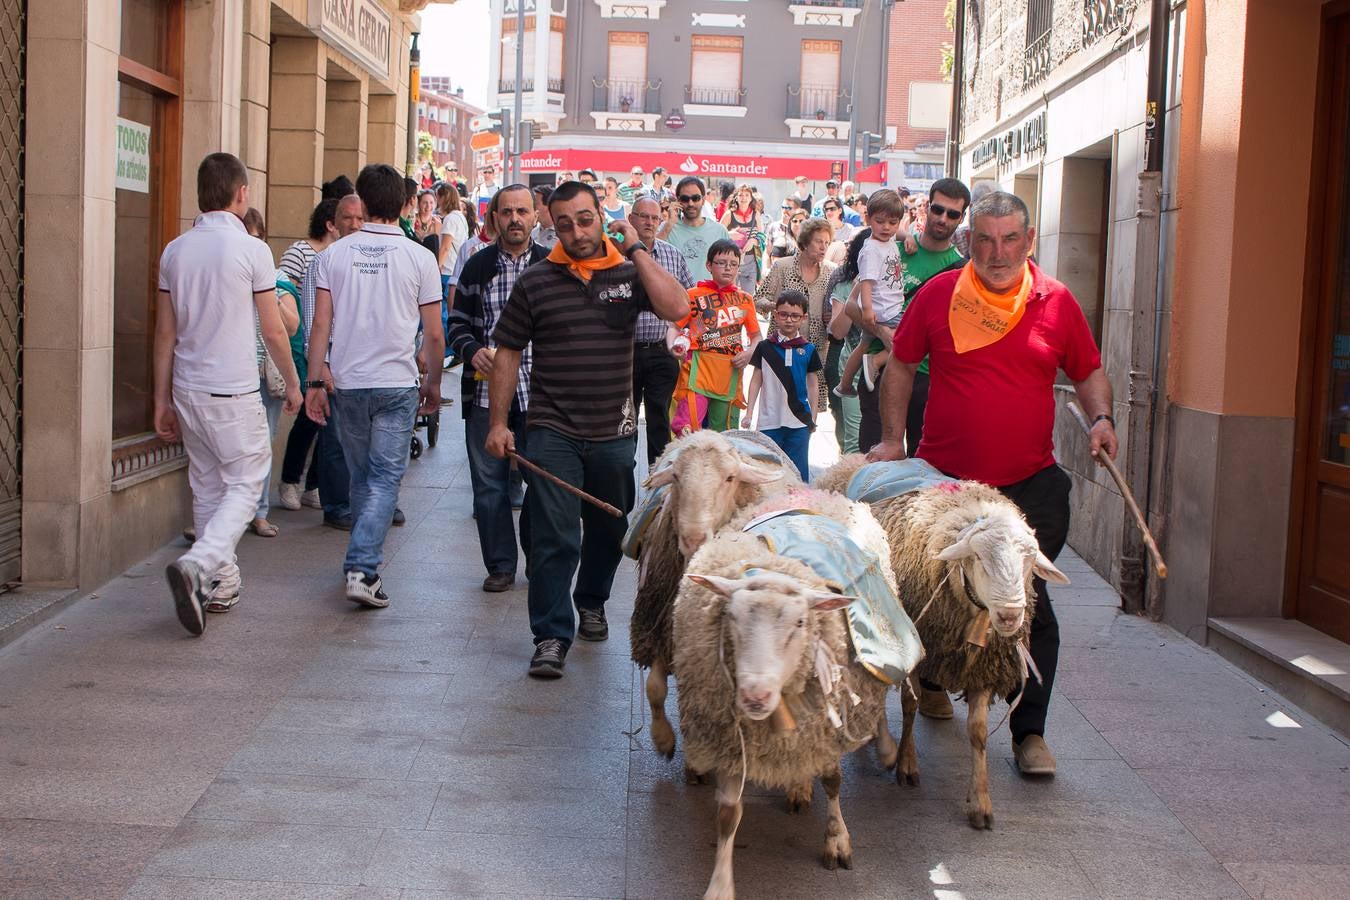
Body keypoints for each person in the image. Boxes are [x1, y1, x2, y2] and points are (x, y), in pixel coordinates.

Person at [867, 191, 1118, 776]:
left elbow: (1087, 370)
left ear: (1029, 242)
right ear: (967, 243)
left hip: (1028, 485)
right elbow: (901, 363)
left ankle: (1029, 733)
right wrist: (891, 439)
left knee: (1026, 600)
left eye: (1010, 240)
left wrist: (1101, 419)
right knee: (929, 594)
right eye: (985, 239)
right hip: (946, 485)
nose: (998, 252)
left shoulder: (1056, 303)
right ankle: (930, 681)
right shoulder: (938, 294)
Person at [485, 180, 689, 678]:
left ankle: (592, 598)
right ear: (550, 226)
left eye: (584, 219)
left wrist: (635, 246)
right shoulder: (536, 280)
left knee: (610, 525)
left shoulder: (627, 271)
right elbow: (508, 352)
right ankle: (551, 636)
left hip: (614, 430)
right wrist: (497, 423)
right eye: (564, 224)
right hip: (551, 427)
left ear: (602, 215)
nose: (576, 232)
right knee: (555, 533)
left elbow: (677, 307)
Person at [156, 153, 301, 635]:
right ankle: (201, 564)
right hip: (233, 390)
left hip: (187, 389)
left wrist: (160, 399)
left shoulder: (174, 251)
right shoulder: (253, 251)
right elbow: (274, 329)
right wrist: (296, 383)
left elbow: (164, 334)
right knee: (246, 481)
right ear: (241, 194)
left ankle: (220, 583)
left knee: (207, 485)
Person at [305, 164, 445, 609]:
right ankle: (362, 568)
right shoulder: (420, 257)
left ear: (361, 203)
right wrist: (434, 382)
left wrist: (314, 380)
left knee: (365, 476)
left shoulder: (333, 256)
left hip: (348, 382)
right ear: (405, 205)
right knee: (384, 476)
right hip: (397, 383)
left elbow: (320, 324)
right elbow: (434, 333)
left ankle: (362, 564)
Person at [446, 185, 546, 594]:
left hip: (542, 396)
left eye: (523, 211)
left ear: (536, 217)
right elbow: (456, 325)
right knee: (489, 487)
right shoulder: (477, 266)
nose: (515, 219)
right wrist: (471, 352)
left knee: (542, 486)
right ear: (494, 219)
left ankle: (537, 560)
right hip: (488, 396)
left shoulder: (552, 265)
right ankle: (500, 565)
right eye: (507, 212)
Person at [853, 177, 970, 454]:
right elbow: (850, 306)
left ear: (961, 218)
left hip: (929, 380)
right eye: (938, 209)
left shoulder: (963, 271)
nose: (943, 218)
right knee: (874, 471)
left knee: (922, 473)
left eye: (952, 214)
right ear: (926, 208)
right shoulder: (891, 246)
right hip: (881, 373)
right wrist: (883, 333)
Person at [297, 194, 365, 530]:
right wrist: (320, 366)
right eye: (347, 218)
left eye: (359, 218)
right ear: (333, 224)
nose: (353, 224)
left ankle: (366, 502)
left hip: (364, 364)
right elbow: (313, 320)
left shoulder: (371, 261)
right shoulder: (322, 262)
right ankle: (336, 506)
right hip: (334, 361)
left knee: (366, 439)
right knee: (336, 437)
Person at [277, 198, 340, 512]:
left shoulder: (343, 255)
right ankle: (290, 481)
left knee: (328, 421)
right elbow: (282, 287)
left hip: (336, 348)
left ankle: (314, 485)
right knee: (307, 418)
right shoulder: (301, 252)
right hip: (305, 341)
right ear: (331, 223)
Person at [241, 209, 300, 539]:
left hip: (265, 378)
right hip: (235, 373)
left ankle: (259, 512)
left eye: (254, 238)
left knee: (262, 443)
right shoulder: (226, 273)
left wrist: (267, 293)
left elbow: (291, 326)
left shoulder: (276, 278)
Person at [668, 239, 762, 434]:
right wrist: (672, 348)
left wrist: (749, 354)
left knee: (725, 436)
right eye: (721, 262)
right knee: (687, 429)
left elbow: (756, 336)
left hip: (730, 371)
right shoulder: (693, 294)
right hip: (697, 369)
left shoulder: (746, 299)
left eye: (733, 264)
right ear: (709, 265)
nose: (728, 268)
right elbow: (674, 327)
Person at [629, 195, 694, 466]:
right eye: (644, 216)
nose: (649, 222)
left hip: (661, 352)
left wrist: (683, 337)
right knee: (625, 421)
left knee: (660, 421)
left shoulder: (671, 254)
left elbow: (691, 300)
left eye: (655, 218)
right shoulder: (615, 254)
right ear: (631, 219)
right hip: (624, 355)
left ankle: (658, 489)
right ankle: (624, 492)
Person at [755, 218, 835, 411]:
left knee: (808, 410)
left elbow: (835, 306)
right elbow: (758, 300)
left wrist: (831, 314)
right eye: (818, 241)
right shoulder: (783, 266)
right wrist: (780, 307)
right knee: (777, 405)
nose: (823, 247)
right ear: (805, 242)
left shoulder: (831, 272)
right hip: (782, 348)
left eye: (827, 242)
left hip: (814, 352)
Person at [835, 190, 910, 397]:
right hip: (884, 309)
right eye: (880, 221)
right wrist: (867, 310)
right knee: (905, 342)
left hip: (881, 306)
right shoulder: (871, 250)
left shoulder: (887, 239)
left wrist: (909, 236)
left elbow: (899, 233)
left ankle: (844, 384)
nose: (887, 227)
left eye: (893, 223)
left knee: (863, 344)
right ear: (867, 218)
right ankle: (875, 361)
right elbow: (866, 282)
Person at [745, 290, 820, 482]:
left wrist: (813, 416)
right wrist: (749, 413)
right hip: (768, 420)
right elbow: (756, 380)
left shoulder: (809, 349)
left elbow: (813, 385)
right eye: (783, 314)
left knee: (798, 474)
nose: (789, 320)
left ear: (803, 318)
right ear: (775, 314)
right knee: (767, 473)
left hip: (799, 421)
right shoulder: (764, 347)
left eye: (795, 316)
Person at [824, 229, 870, 453]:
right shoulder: (845, 284)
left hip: (886, 370)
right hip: (852, 370)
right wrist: (856, 290)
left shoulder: (894, 286)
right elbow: (839, 332)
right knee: (854, 442)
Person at [665, 176, 729, 281]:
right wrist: (669, 223)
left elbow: (730, 267)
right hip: (677, 296)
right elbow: (650, 254)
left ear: (703, 200)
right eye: (685, 199)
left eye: (695, 198)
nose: (691, 203)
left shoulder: (719, 231)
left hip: (709, 296)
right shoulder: (667, 228)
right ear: (678, 201)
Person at [718, 183, 764, 294]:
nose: (743, 198)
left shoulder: (756, 214)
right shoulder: (729, 214)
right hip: (731, 262)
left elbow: (762, 236)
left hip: (751, 261)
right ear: (736, 198)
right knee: (730, 295)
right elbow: (717, 234)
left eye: (747, 195)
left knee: (748, 297)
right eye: (741, 195)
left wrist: (754, 240)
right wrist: (729, 234)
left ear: (751, 198)